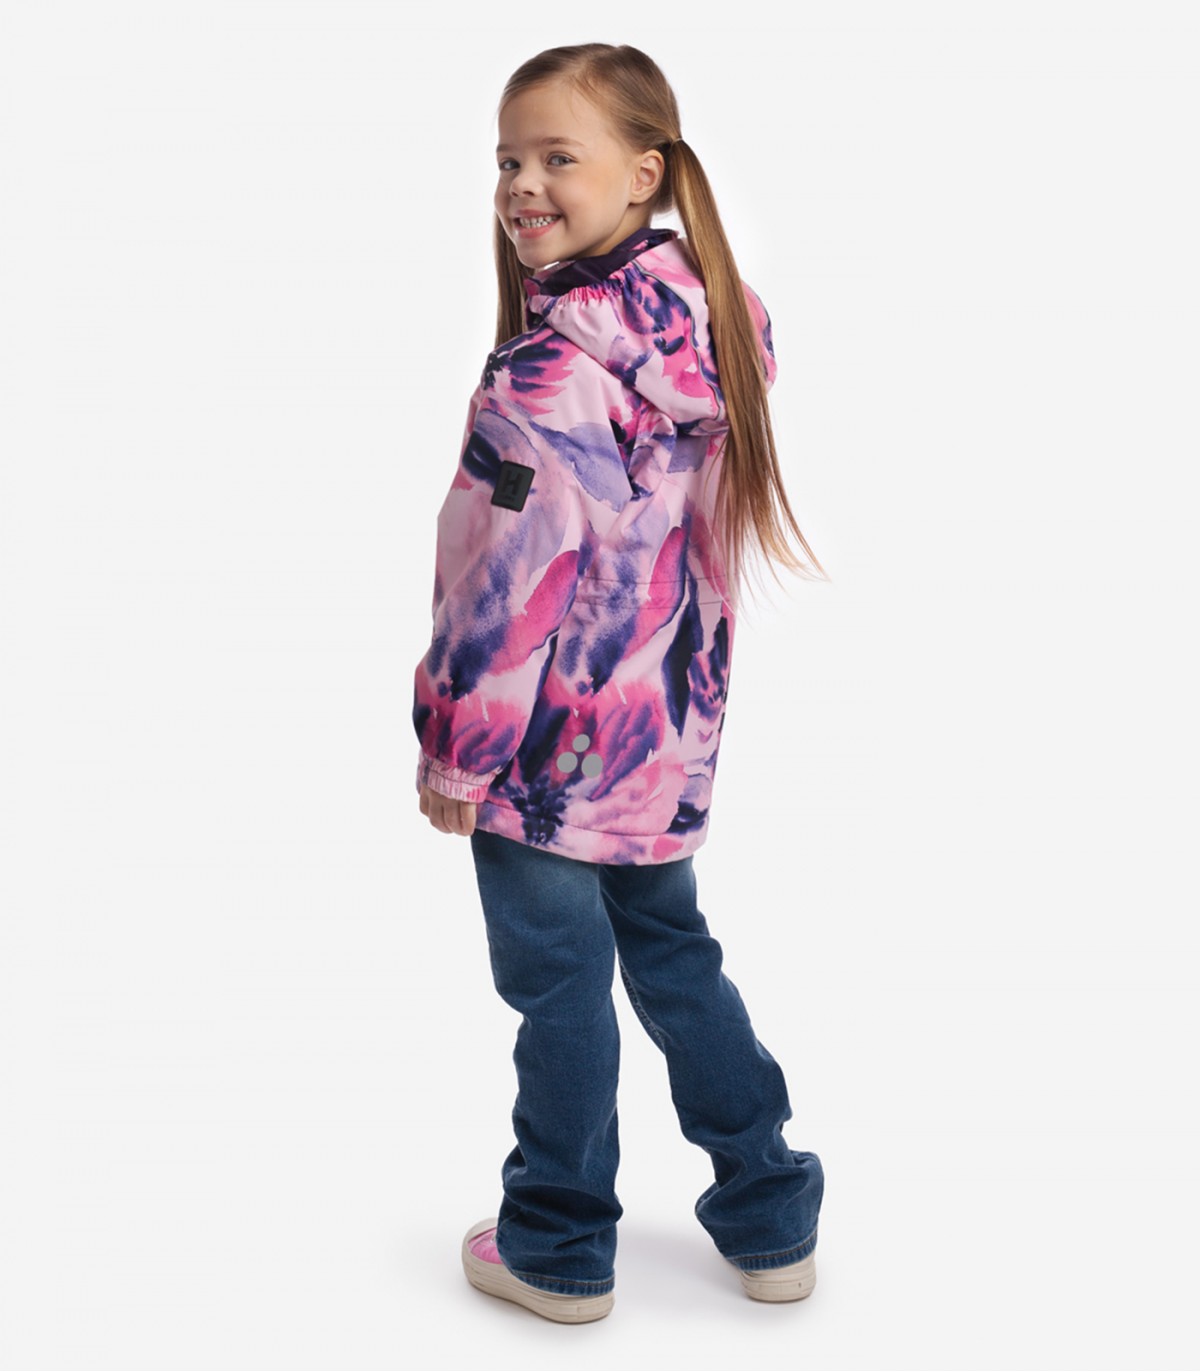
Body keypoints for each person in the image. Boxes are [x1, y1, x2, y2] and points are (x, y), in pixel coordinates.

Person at [412, 43, 830, 1324]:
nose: (521, 185)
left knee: (558, 988)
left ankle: (554, 1241)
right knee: (674, 957)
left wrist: (457, 749)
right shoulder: (716, 335)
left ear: (645, 173)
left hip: (542, 753)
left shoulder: (548, 378)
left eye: (558, 157)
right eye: (508, 159)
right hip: (663, 742)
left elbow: (498, 590)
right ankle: (770, 1213)